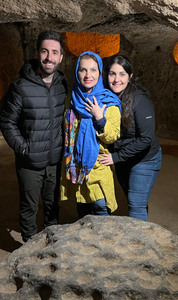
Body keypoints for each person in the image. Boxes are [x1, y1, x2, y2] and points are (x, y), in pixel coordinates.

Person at [0, 31, 67, 243]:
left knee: (52, 205)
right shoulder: (20, 87)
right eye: (45, 51)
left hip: (54, 161)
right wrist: (22, 147)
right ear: (37, 53)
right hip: (29, 161)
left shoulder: (62, 85)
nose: (49, 57)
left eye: (55, 52)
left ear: (61, 57)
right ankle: (29, 246)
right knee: (29, 207)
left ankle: (51, 243)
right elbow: (6, 121)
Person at [99, 55, 161, 221]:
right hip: (123, 158)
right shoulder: (106, 97)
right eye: (112, 74)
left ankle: (138, 245)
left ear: (130, 76)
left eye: (122, 74)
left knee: (135, 205)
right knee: (133, 199)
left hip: (144, 159)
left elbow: (146, 139)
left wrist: (116, 157)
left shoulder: (140, 101)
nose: (116, 79)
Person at [61, 51, 121, 218]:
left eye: (93, 70)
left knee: (101, 209)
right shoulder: (71, 99)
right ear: (77, 72)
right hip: (75, 166)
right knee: (82, 211)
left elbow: (112, 136)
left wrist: (99, 118)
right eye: (83, 70)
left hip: (97, 167)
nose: (88, 75)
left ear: (100, 73)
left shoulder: (108, 102)